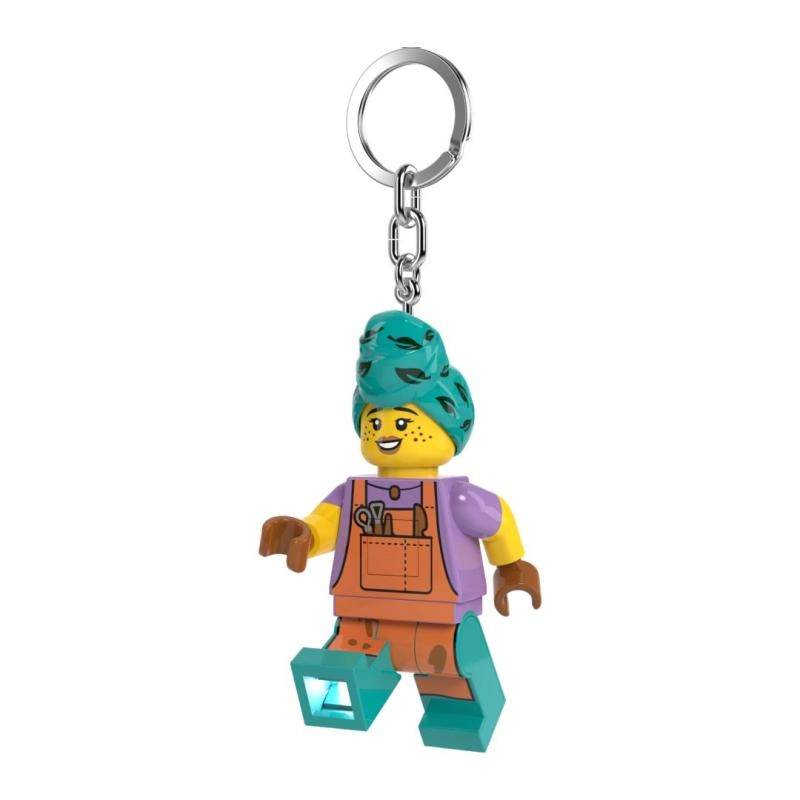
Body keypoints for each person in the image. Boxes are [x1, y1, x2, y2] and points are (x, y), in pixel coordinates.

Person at [260, 309, 541, 751]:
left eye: (403, 422)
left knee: (452, 681)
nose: (386, 433)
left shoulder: (456, 498)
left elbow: (496, 519)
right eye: (374, 422)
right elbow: (328, 522)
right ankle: (350, 710)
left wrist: (512, 566)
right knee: (338, 679)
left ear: (448, 421)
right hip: (362, 616)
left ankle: (457, 720)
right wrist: (304, 535)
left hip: (440, 617)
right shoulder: (354, 494)